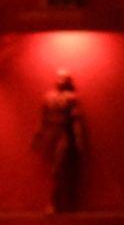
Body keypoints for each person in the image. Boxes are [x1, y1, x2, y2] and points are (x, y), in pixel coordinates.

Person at [32, 70, 87, 213]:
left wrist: (79, 140)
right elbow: (42, 118)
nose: (61, 80)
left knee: (59, 169)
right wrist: (37, 136)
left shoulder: (71, 98)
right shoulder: (48, 97)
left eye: (64, 78)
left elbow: (76, 121)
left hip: (63, 133)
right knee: (53, 171)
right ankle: (57, 202)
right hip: (51, 134)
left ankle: (56, 203)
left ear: (68, 81)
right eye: (59, 78)